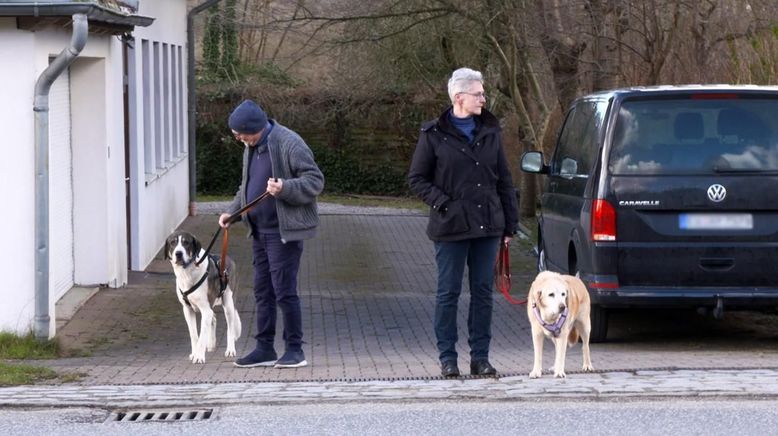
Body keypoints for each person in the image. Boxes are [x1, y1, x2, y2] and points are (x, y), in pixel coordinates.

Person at [408, 68, 519, 377]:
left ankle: (480, 357)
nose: (483, 98)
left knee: (483, 293)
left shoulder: (491, 132)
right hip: (451, 227)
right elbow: (417, 179)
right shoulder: (433, 135)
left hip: (487, 226)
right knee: (448, 293)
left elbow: (505, 181)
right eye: (478, 94)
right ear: (459, 98)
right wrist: (444, 203)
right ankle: (448, 358)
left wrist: (510, 225)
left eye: (483, 93)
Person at [220, 99, 324, 369]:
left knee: (284, 292)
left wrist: (285, 187)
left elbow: (315, 180)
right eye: (236, 135)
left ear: (254, 128)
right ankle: (264, 348)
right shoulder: (251, 147)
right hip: (259, 232)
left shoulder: (289, 142)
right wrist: (233, 212)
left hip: (283, 232)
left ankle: (295, 350)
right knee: (262, 292)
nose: (238, 138)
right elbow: (247, 185)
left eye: (240, 134)